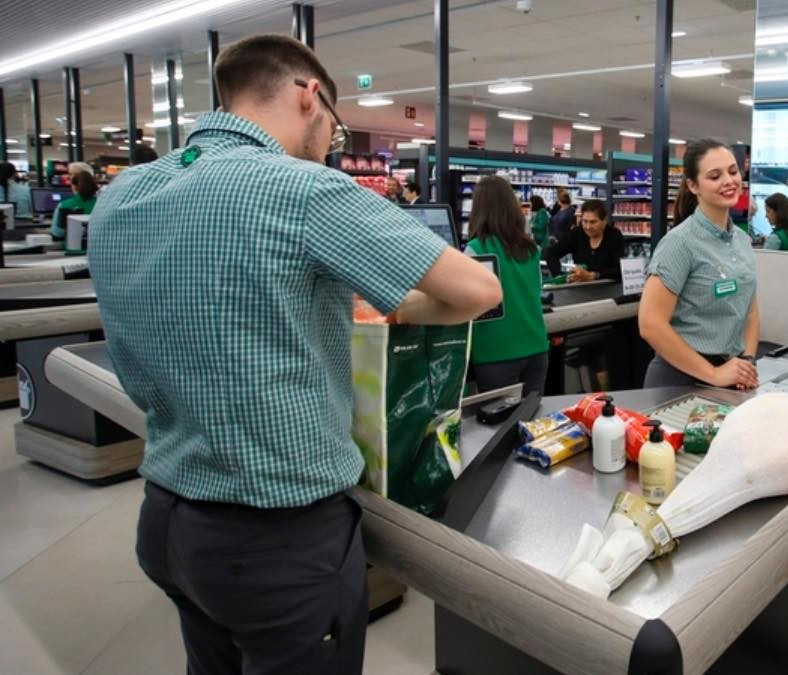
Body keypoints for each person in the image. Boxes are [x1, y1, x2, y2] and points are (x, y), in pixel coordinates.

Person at [88, 34, 500, 675]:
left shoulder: (122, 194)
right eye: (334, 124)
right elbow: (479, 289)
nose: (330, 140)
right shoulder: (303, 189)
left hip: (168, 516)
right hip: (277, 539)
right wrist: (402, 307)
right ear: (311, 96)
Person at [639, 139, 759, 390]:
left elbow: (750, 312)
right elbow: (650, 323)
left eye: (733, 171)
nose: (729, 181)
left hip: (730, 375)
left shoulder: (742, 240)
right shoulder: (680, 243)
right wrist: (714, 374)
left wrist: (746, 362)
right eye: (715, 176)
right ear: (693, 186)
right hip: (680, 379)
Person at [465, 176, 550, 395]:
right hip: (536, 347)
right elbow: (537, 290)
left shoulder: (476, 249)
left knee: (501, 425)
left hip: (497, 351)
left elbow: (470, 302)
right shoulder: (531, 248)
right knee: (531, 420)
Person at [543, 199, 625, 282]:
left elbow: (619, 270)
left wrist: (593, 275)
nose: (588, 227)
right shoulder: (577, 233)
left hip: (608, 290)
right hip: (580, 289)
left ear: (604, 220)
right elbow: (551, 253)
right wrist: (559, 276)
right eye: (585, 221)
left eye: (593, 222)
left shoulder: (614, 236)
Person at [50, 170, 99, 240]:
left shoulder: (64, 205)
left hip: (73, 247)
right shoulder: (102, 204)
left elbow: (57, 233)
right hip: (97, 245)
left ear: (74, 186)